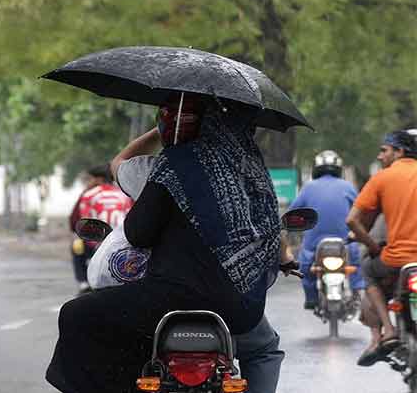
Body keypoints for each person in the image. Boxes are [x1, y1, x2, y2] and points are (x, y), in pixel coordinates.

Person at [47, 94, 282, 393]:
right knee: (264, 348)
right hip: (240, 308)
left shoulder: (173, 164)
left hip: (172, 300)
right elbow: (272, 235)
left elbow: (138, 234)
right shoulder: (251, 170)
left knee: (76, 314)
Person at [111, 127, 287, 393]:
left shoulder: (160, 168)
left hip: (166, 296)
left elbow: (136, 229)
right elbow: (270, 228)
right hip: (232, 303)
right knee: (264, 349)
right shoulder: (246, 172)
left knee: (113, 336)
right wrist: (284, 257)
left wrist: (156, 134)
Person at [346, 130, 417, 366]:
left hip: (395, 260)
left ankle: (388, 330)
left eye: (384, 150)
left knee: (367, 270)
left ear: (400, 151)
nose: (379, 156)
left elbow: (352, 221)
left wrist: (373, 246)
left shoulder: (382, 178)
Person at [289, 150, 364, 310]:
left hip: (314, 243)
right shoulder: (348, 187)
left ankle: (311, 298)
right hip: (345, 241)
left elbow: (292, 212)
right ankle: (357, 292)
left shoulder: (308, 188)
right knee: (355, 260)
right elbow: (360, 210)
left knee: (305, 266)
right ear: (338, 168)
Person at [68, 165, 133, 293]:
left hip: (96, 243)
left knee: (76, 246)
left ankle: (83, 283)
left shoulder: (88, 195)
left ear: (98, 179)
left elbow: (75, 221)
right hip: (123, 243)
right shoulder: (124, 194)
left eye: (89, 179)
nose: (88, 182)